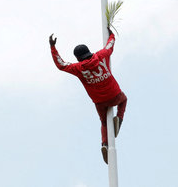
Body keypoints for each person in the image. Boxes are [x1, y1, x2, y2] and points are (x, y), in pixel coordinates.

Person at [49, 29, 127, 164]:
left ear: (78, 58)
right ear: (89, 52)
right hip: (115, 95)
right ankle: (119, 119)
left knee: (103, 122)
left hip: (100, 102)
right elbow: (110, 44)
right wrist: (111, 34)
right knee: (124, 99)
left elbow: (61, 64)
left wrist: (53, 47)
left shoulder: (78, 68)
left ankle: (104, 144)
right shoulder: (102, 55)